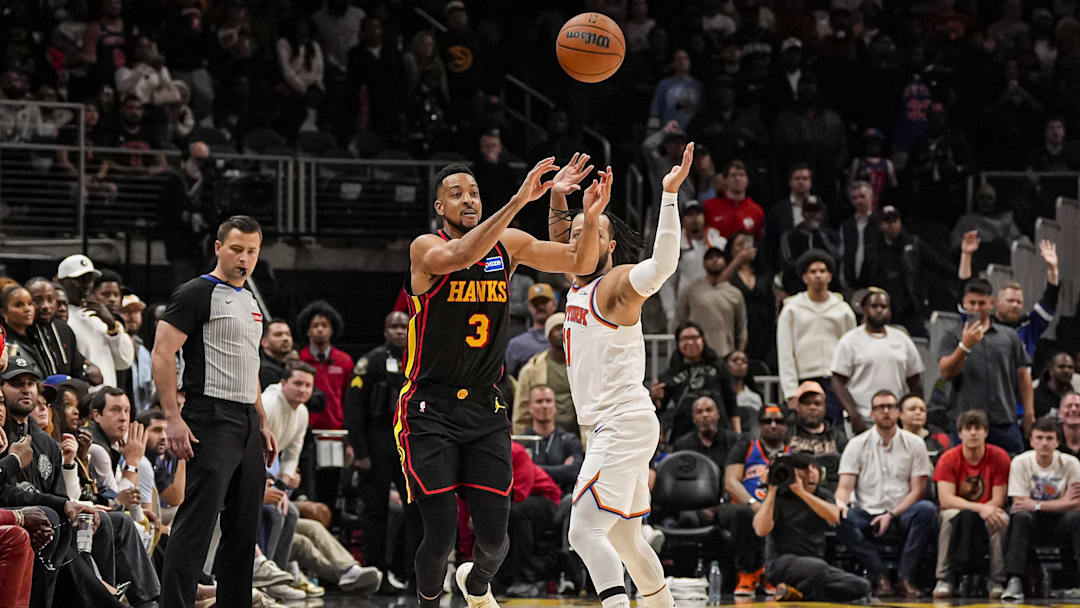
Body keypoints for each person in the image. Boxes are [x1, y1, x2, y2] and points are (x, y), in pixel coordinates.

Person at [399, 156, 607, 608]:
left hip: (485, 406)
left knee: (495, 540)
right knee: (440, 535)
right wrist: (518, 200)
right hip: (429, 407)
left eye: (474, 193)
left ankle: (476, 587)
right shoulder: (425, 248)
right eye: (457, 194)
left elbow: (580, 262)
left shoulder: (507, 245)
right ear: (439, 207)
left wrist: (581, 213)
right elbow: (461, 256)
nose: (468, 200)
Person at [556, 142, 695, 608]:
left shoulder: (615, 286)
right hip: (612, 424)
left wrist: (669, 194)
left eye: (593, 231)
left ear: (610, 246)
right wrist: (558, 196)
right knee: (625, 539)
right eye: (576, 233)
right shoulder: (575, 278)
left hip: (622, 421)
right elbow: (561, 237)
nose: (581, 239)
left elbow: (663, 266)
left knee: (583, 531)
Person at [154, 216, 278, 608]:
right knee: (197, 523)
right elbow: (162, 353)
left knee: (243, 529)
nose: (244, 258)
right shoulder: (196, 293)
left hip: (246, 420)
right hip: (210, 415)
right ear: (218, 248)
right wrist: (173, 417)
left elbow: (250, 364)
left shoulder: (250, 300)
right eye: (237, 249)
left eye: (252, 251)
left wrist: (262, 420)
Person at [835, 390, 937, 598]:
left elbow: (918, 491)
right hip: (867, 512)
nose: (886, 411)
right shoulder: (857, 444)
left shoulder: (915, 444)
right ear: (872, 413)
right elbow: (845, 487)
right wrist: (840, 505)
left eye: (890, 407)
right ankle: (880, 576)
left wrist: (891, 514)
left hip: (903, 511)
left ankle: (905, 578)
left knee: (927, 509)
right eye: (880, 408)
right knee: (841, 518)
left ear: (898, 412)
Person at [344, 310, 416, 591]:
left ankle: (415, 575)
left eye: (403, 326)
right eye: (394, 327)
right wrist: (361, 452)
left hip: (408, 442)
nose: (399, 331)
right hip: (376, 440)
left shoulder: (418, 359)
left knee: (416, 510)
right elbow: (354, 408)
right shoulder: (370, 361)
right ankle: (377, 575)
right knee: (375, 512)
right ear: (385, 331)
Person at [752, 452, 870, 602]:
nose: (811, 473)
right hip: (781, 563)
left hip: (815, 566)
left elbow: (834, 516)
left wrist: (802, 493)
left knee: (861, 585)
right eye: (805, 469)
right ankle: (802, 592)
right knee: (818, 568)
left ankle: (797, 594)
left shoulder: (823, 495)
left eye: (814, 467)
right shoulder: (780, 497)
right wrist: (771, 490)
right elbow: (761, 530)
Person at [937, 279, 1033, 453]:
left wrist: (1029, 413)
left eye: (981, 303)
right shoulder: (952, 336)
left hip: (1004, 422)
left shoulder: (1009, 336)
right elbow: (946, 372)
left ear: (991, 303)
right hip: (966, 424)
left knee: (1012, 466)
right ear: (964, 303)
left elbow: (1023, 374)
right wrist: (964, 346)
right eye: (972, 303)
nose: (976, 308)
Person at [932, 409, 1011, 600]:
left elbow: (999, 498)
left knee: (1001, 519)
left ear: (986, 432)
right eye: (968, 428)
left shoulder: (999, 456)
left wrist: (986, 510)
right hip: (957, 509)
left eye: (978, 428)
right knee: (948, 517)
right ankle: (944, 578)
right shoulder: (948, 458)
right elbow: (946, 500)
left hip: (990, 507)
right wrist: (980, 508)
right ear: (960, 433)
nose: (973, 433)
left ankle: (996, 580)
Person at [1002, 416, 1080, 601]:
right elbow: (1020, 503)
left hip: (1060, 521)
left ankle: (1075, 582)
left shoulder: (1071, 463)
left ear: (1057, 442)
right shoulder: (1020, 462)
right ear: (1031, 441)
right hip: (1033, 522)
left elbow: (1076, 503)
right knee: (1021, 517)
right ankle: (1014, 580)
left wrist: (1036, 504)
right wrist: (1063, 502)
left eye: (1049, 438)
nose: (1044, 443)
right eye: (1039, 438)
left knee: (1077, 517)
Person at [776, 250, 855, 422]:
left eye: (822, 271)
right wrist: (791, 393)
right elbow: (785, 353)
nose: (818, 275)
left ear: (830, 276)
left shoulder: (843, 309)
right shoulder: (791, 310)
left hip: (836, 382)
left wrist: (851, 388)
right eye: (813, 271)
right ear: (805, 277)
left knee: (836, 429)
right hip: (805, 379)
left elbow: (852, 350)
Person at [831, 289, 924, 433]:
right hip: (863, 417)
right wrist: (853, 413)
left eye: (884, 306)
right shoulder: (850, 341)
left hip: (895, 418)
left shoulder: (902, 339)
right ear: (865, 309)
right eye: (874, 306)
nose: (880, 310)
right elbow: (837, 381)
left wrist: (910, 411)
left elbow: (915, 380)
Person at [724, 405, 792, 595]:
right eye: (767, 421)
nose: (773, 425)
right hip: (746, 506)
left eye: (779, 421)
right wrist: (754, 504)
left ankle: (772, 575)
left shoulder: (793, 453)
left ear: (786, 426)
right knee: (743, 513)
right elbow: (730, 482)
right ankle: (747, 574)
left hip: (778, 508)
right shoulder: (746, 446)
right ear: (760, 425)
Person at [652, 322, 740, 439]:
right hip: (682, 435)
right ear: (678, 343)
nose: (690, 342)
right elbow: (660, 409)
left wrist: (738, 435)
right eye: (684, 339)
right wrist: (654, 397)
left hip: (719, 433)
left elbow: (732, 404)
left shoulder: (719, 366)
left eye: (694, 337)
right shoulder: (670, 374)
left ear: (702, 340)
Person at [57, 255, 134, 388]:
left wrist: (111, 324)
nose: (86, 286)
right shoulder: (60, 317)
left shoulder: (101, 315)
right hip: (80, 395)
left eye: (90, 280)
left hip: (107, 395)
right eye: (80, 280)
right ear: (62, 282)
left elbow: (124, 362)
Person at [499, 442, 562, 597]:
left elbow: (521, 493)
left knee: (516, 512)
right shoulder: (473, 461)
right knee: (491, 515)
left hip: (546, 498)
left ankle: (524, 579)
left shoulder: (516, 451)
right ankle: (497, 579)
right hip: (512, 501)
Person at [674, 247, 747, 358]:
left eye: (718, 256)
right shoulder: (691, 290)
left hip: (726, 354)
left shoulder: (735, 293)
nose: (714, 260)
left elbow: (741, 328)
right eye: (710, 257)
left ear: (725, 262)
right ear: (703, 263)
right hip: (697, 355)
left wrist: (739, 354)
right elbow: (680, 321)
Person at [512, 313, 576, 436]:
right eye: (556, 329)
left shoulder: (582, 365)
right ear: (548, 335)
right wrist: (523, 441)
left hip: (578, 435)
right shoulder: (532, 369)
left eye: (564, 328)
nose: (561, 332)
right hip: (543, 436)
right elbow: (522, 411)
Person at [298, 300, 352, 431]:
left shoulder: (344, 361)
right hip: (304, 428)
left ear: (332, 330)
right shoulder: (299, 359)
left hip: (336, 428)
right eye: (315, 325)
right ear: (308, 331)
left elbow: (349, 397)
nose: (320, 329)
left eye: (324, 325)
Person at [520, 385, 583, 495]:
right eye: (539, 401)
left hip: (562, 500)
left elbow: (573, 472)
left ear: (555, 406)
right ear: (530, 407)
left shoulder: (569, 440)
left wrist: (532, 469)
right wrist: (562, 470)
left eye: (548, 401)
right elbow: (518, 474)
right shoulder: (521, 442)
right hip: (529, 500)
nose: (544, 406)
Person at [25, 277, 86, 380]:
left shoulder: (64, 329)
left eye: (50, 300)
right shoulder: (23, 331)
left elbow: (77, 370)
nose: (46, 306)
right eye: (37, 301)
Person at [703, 160, 765, 242]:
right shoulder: (709, 207)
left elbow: (759, 242)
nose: (738, 178)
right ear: (725, 180)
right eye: (733, 175)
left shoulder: (757, 211)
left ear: (747, 180)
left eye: (741, 175)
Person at [505, 283, 557, 378]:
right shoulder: (517, 344)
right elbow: (507, 379)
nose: (540, 306)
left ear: (554, 304)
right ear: (529, 306)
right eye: (535, 303)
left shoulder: (567, 339)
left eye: (544, 302)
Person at [119, 294, 153, 413]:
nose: (132, 316)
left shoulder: (144, 351)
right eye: (126, 311)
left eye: (136, 311)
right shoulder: (115, 346)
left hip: (143, 413)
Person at [840, 181, 876, 290]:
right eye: (855, 198)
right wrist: (842, 276)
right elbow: (843, 253)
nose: (859, 201)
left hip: (876, 279)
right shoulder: (847, 225)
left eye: (862, 196)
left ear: (872, 197)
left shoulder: (879, 221)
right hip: (853, 280)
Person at [899, 393, 951, 461]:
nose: (918, 412)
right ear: (900, 414)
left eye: (922, 410)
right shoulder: (892, 439)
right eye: (912, 409)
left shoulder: (940, 438)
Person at [727, 350, 764, 437]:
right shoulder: (720, 395)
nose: (739, 363)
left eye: (744, 361)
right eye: (734, 360)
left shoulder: (755, 397)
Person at [1036, 352, 1075, 418]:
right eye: (1061, 366)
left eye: (1070, 367)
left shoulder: (1076, 397)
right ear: (1050, 369)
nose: (1066, 370)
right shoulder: (1035, 396)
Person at [259, 319, 294, 390]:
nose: (285, 338)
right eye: (278, 335)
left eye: (288, 334)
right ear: (264, 342)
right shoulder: (264, 370)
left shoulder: (289, 365)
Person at [1060, 392, 1080, 459]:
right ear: (1059, 413)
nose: (1073, 409)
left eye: (1078, 406)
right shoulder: (1050, 439)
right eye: (1069, 406)